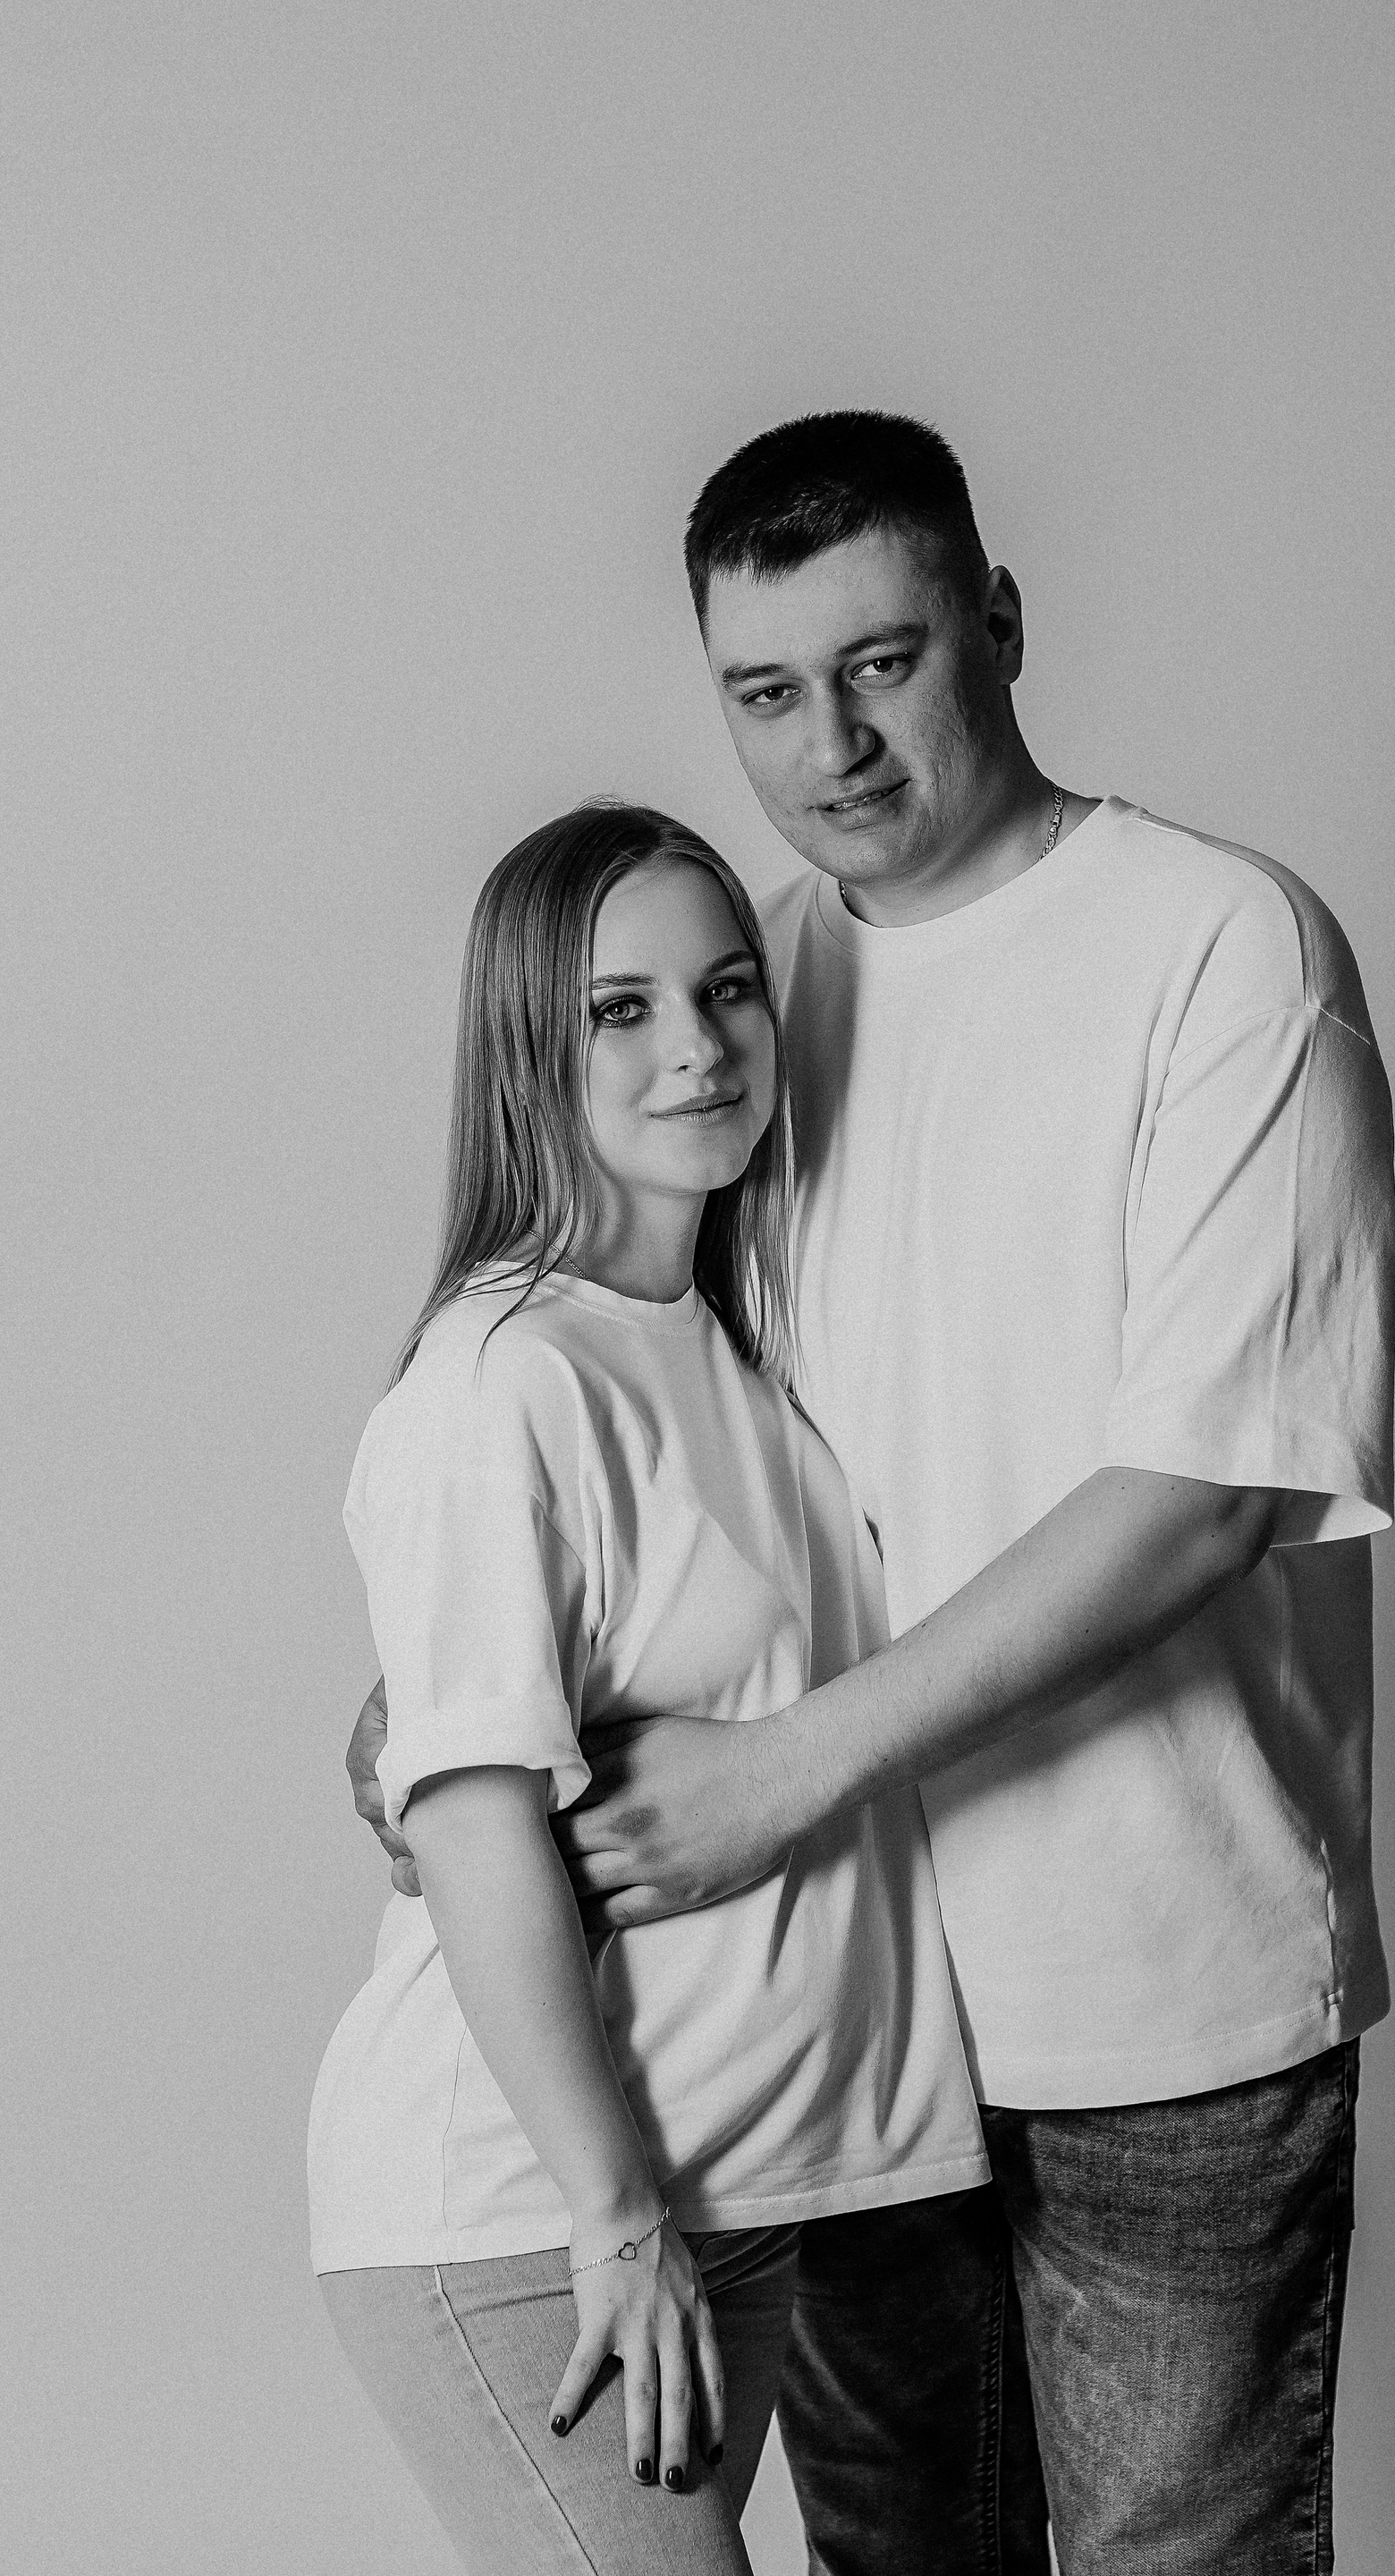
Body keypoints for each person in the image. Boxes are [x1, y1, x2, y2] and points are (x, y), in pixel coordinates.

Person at [352, 411, 1395, 2575]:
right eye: (764, 691)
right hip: (842, 2030)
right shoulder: (745, 986)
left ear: (998, 622)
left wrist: (785, 1772)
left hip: (1155, 1983)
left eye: (883, 662)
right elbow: (662, 1440)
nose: (828, 744)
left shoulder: (1220, 950)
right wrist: (453, 1714)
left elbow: (1206, 1491)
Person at [311, 802, 988, 2576]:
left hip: (735, 2190)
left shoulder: (738, 1354)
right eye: (621, 1009)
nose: (696, 1045)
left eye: (728, 990)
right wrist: (614, 2215)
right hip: (539, 2207)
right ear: (530, 1048)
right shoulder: (501, 1380)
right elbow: (468, 1822)